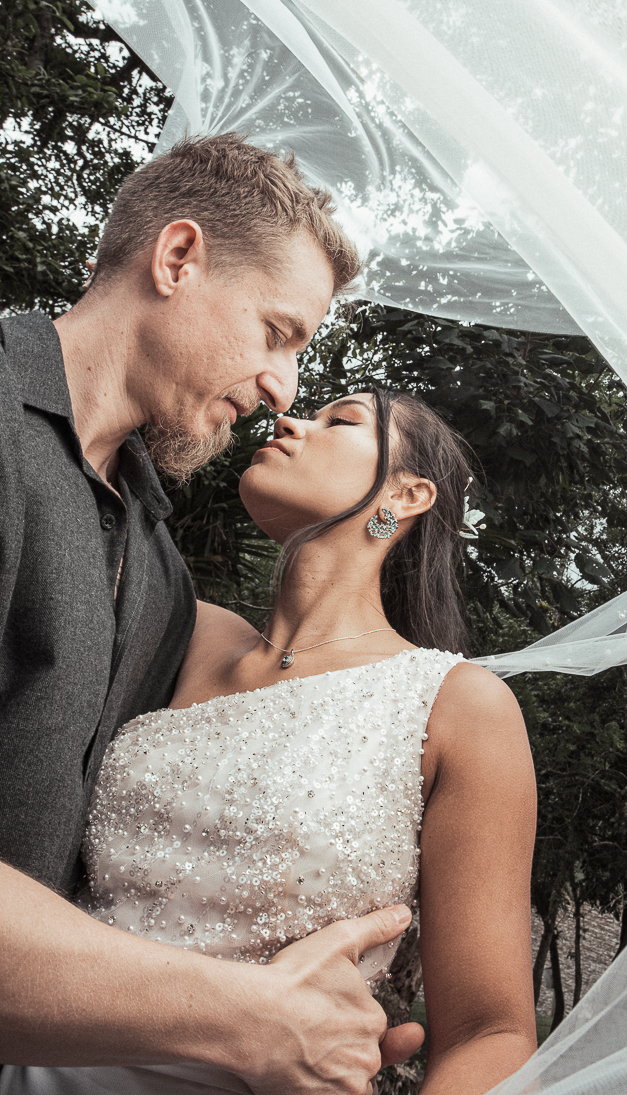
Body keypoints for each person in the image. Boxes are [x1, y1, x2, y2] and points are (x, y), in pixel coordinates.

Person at [0, 134, 423, 1092]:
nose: (283, 388)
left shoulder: (156, 565)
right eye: (277, 332)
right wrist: (247, 1018)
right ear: (178, 258)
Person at [1, 385, 538, 1095]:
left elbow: (490, 1032)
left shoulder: (458, 705)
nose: (288, 419)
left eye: (340, 421)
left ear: (407, 496)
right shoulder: (179, 630)